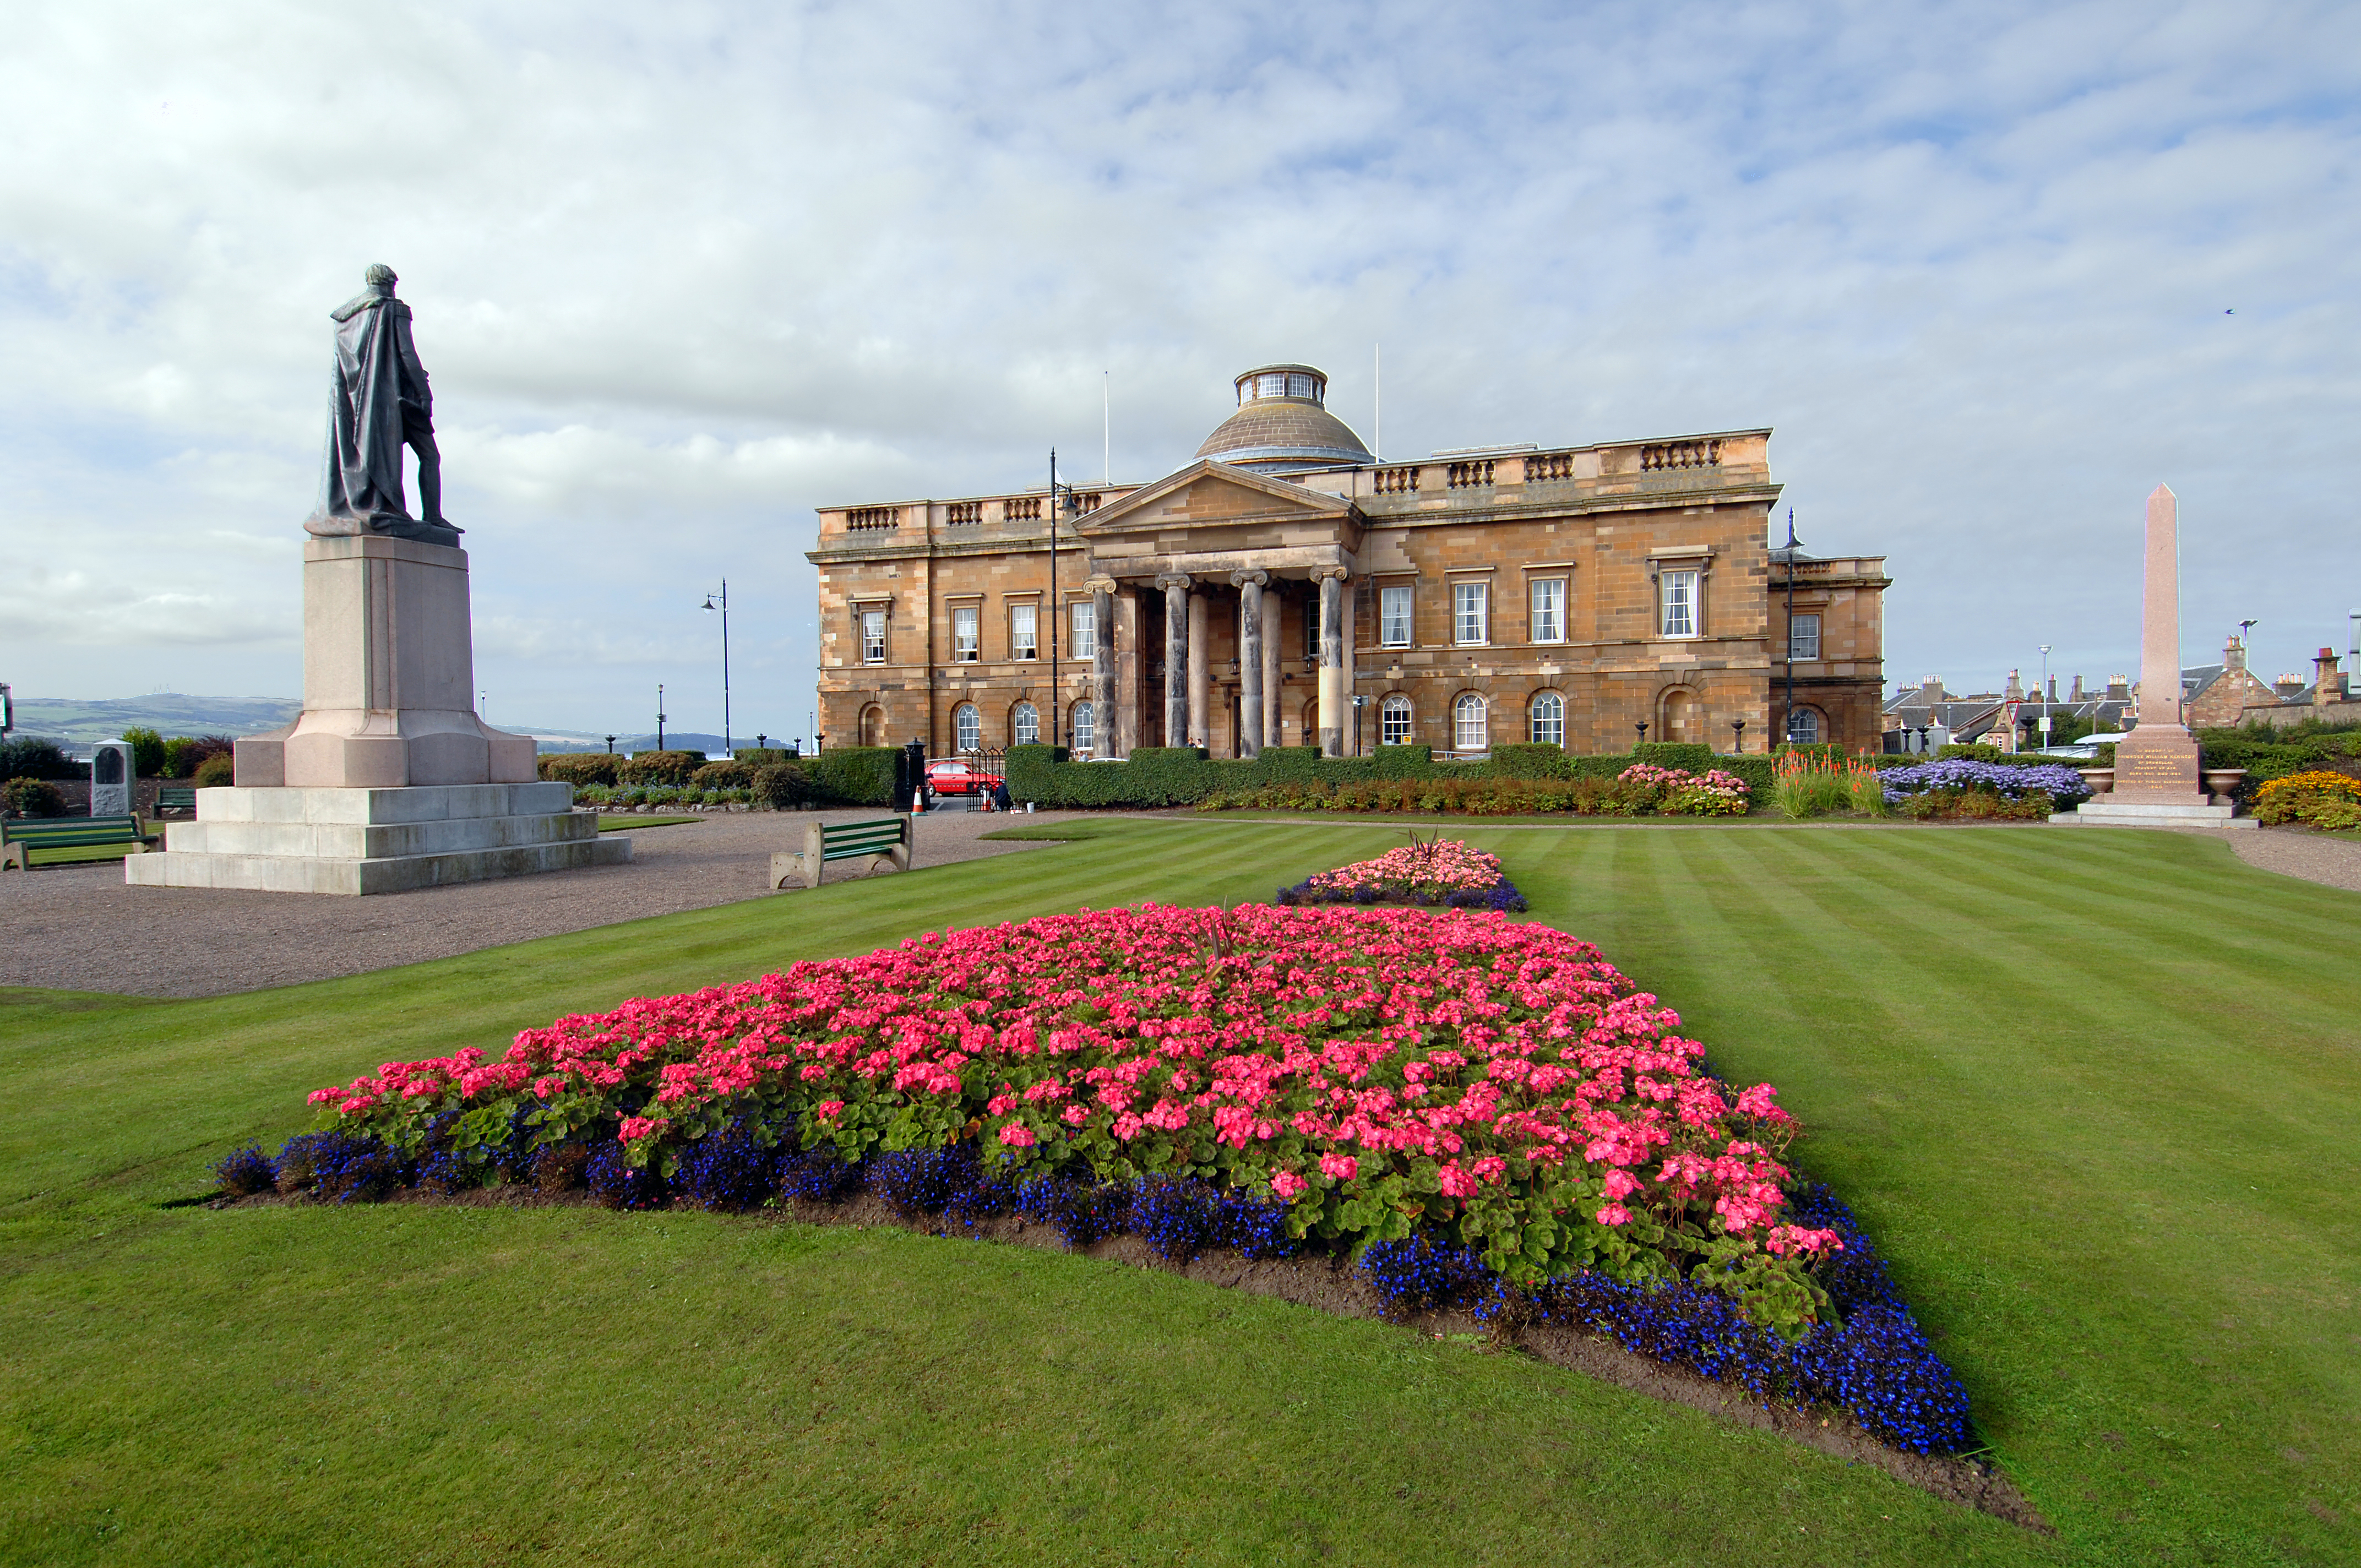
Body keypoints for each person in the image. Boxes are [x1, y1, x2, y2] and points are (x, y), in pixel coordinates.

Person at [306, 264, 461, 547]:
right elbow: (406, 353)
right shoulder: (393, 308)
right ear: (391, 282)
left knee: (413, 454)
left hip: (362, 405)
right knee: (429, 454)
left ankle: (387, 505)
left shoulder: (345, 318)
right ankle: (434, 516)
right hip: (401, 399)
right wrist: (424, 392)